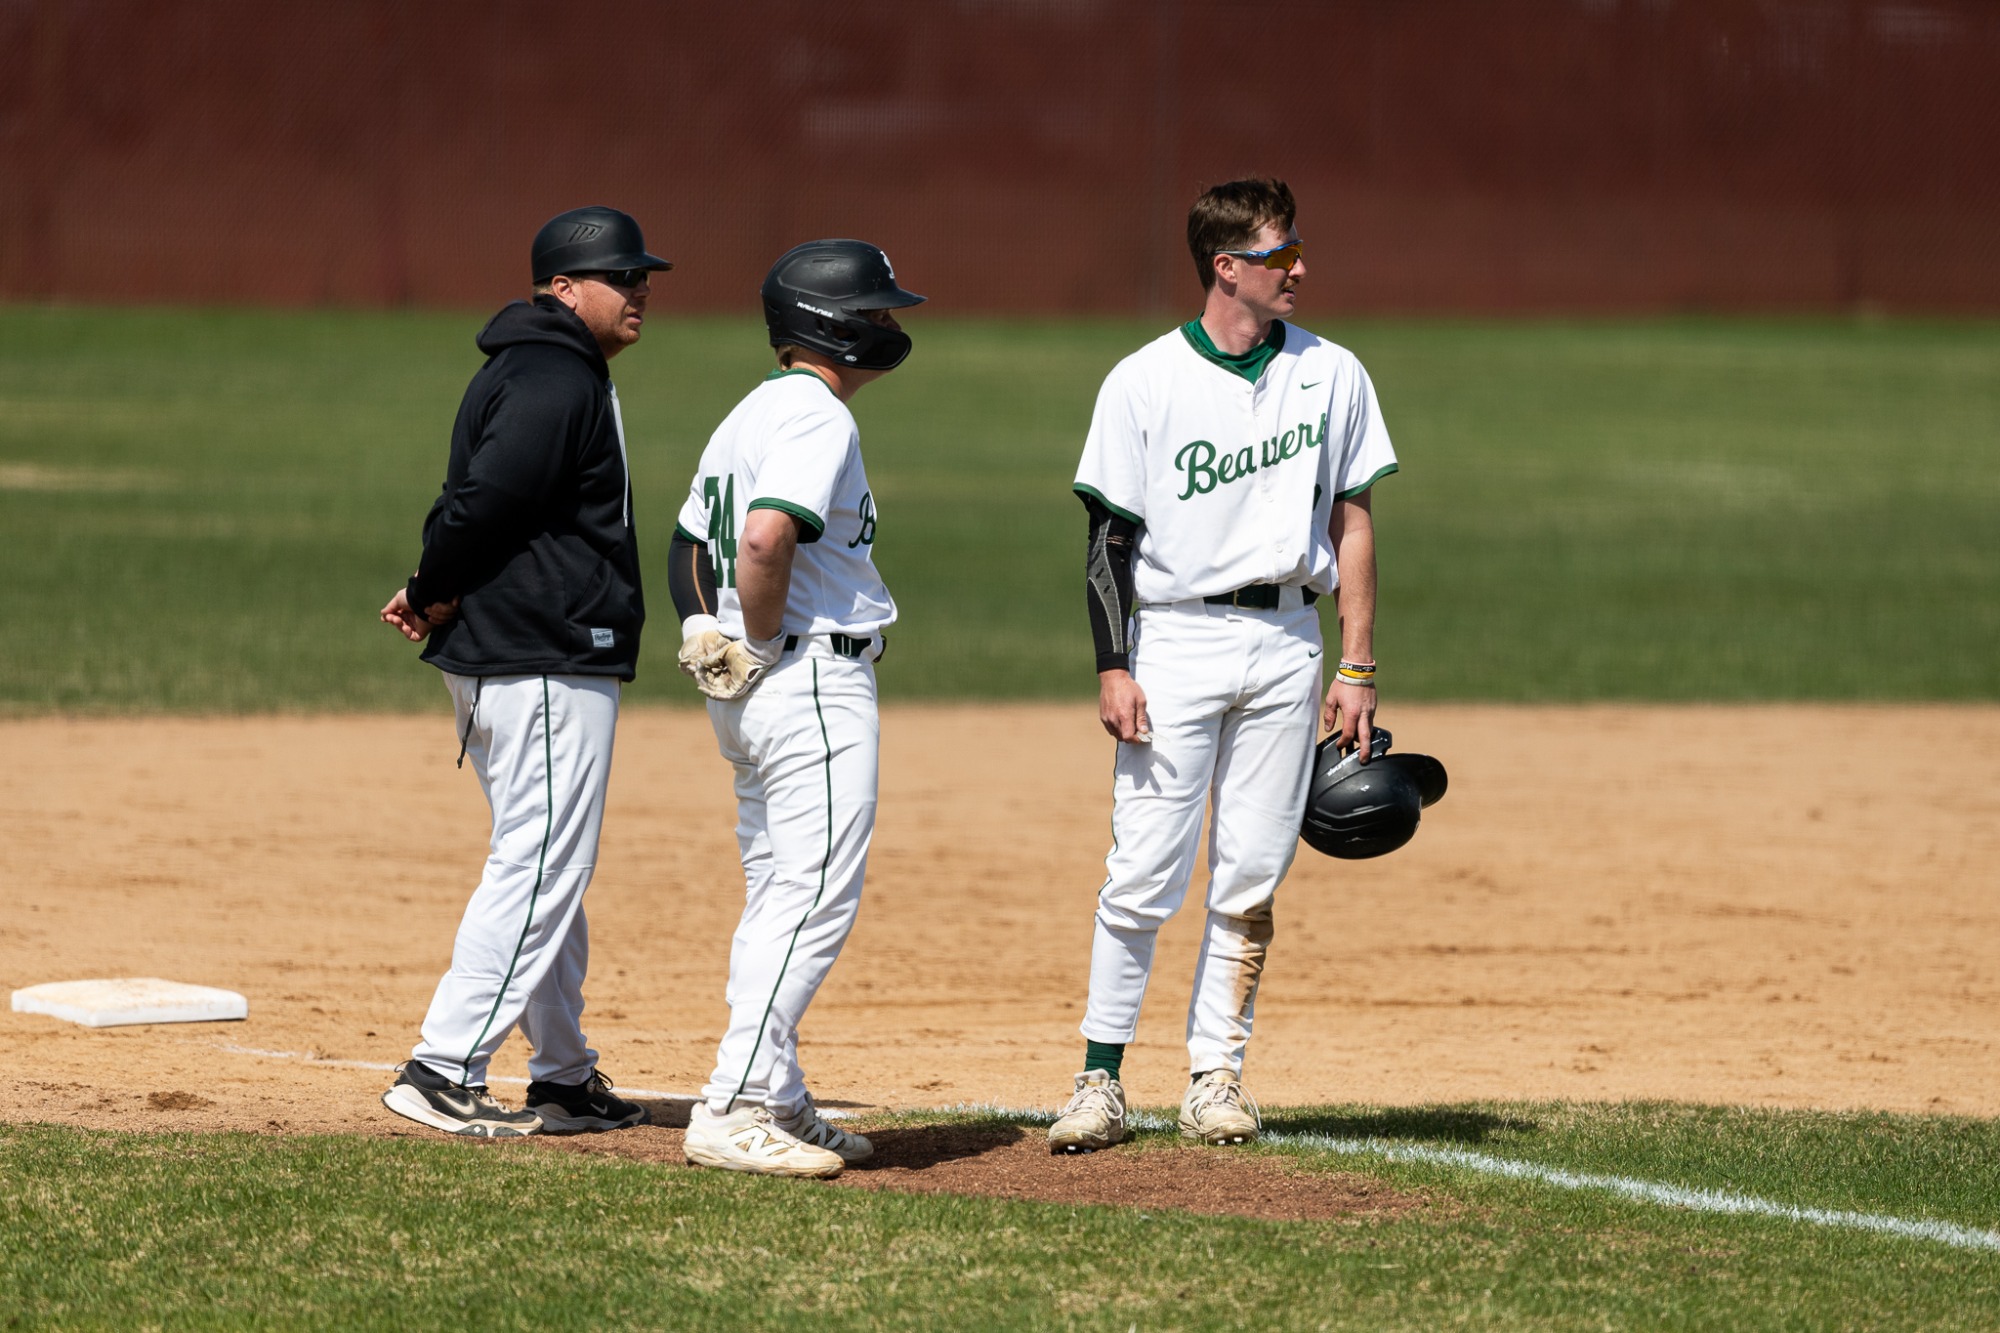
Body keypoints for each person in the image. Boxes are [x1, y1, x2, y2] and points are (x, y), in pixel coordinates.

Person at [1048, 178, 1399, 1153]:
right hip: (1174, 641)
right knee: (1142, 872)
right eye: (1281, 253)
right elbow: (1105, 540)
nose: (1298, 269)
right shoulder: (1143, 381)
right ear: (1225, 267)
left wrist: (1356, 663)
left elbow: (1353, 522)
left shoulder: (1333, 374)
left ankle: (1215, 1075)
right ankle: (1099, 1077)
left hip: (1288, 642)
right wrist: (1111, 665)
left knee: (1249, 872)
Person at [376, 205, 670, 1137]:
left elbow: (472, 503)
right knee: (543, 862)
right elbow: (485, 501)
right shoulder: (552, 375)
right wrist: (432, 582)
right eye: (621, 277)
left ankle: (563, 1073)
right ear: (562, 286)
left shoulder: (539, 367)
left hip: (524, 649)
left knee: (545, 863)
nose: (640, 292)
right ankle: (442, 1066)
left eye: (642, 276)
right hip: (545, 652)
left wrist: (434, 585)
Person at [666, 239, 922, 1177]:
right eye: (877, 311)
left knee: (777, 892)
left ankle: (775, 1093)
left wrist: (706, 626)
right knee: (812, 896)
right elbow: (764, 537)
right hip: (806, 679)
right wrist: (765, 639)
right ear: (832, 323)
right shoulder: (816, 416)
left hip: (748, 694)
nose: (890, 325)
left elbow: (690, 539)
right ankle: (731, 1104)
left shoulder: (752, 410)